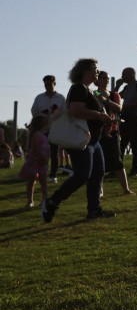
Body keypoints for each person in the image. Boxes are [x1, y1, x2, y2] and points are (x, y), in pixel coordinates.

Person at [41, 58, 115, 223]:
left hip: (93, 141)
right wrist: (99, 116)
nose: (98, 72)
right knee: (82, 175)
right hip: (81, 140)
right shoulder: (78, 88)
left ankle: (94, 210)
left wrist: (106, 121)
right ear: (85, 71)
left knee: (96, 174)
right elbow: (75, 110)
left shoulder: (89, 90)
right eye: (95, 69)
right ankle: (52, 203)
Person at [95, 71, 133, 196]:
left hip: (113, 130)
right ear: (98, 80)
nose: (106, 80)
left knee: (117, 160)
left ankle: (126, 189)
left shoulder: (114, 94)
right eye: (103, 78)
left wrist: (106, 101)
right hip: (98, 131)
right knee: (99, 162)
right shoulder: (93, 93)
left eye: (107, 78)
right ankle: (99, 190)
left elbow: (119, 108)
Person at [30, 74, 66, 182]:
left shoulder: (60, 98)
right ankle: (39, 173)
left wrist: (57, 113)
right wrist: (42, 113)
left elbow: (65, 112)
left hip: (55, 128)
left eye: (49, 84)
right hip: (42, 129)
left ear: (54, 83)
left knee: (54, 152)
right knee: (40, 151)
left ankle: (53, 174)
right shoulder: (39, 98)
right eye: (45, 85)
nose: (47, 87)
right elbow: (34, 111)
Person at [20, 114, 50, 207]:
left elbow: (47, 148)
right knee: (31, 182)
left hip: (42, 162)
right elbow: (36, 148)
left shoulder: (44, 135)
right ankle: (30, 201)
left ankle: (44, 200)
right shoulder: (37, 134)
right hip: (35, 161)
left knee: (43, 182)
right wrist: (42, 157)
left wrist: (46, 157)